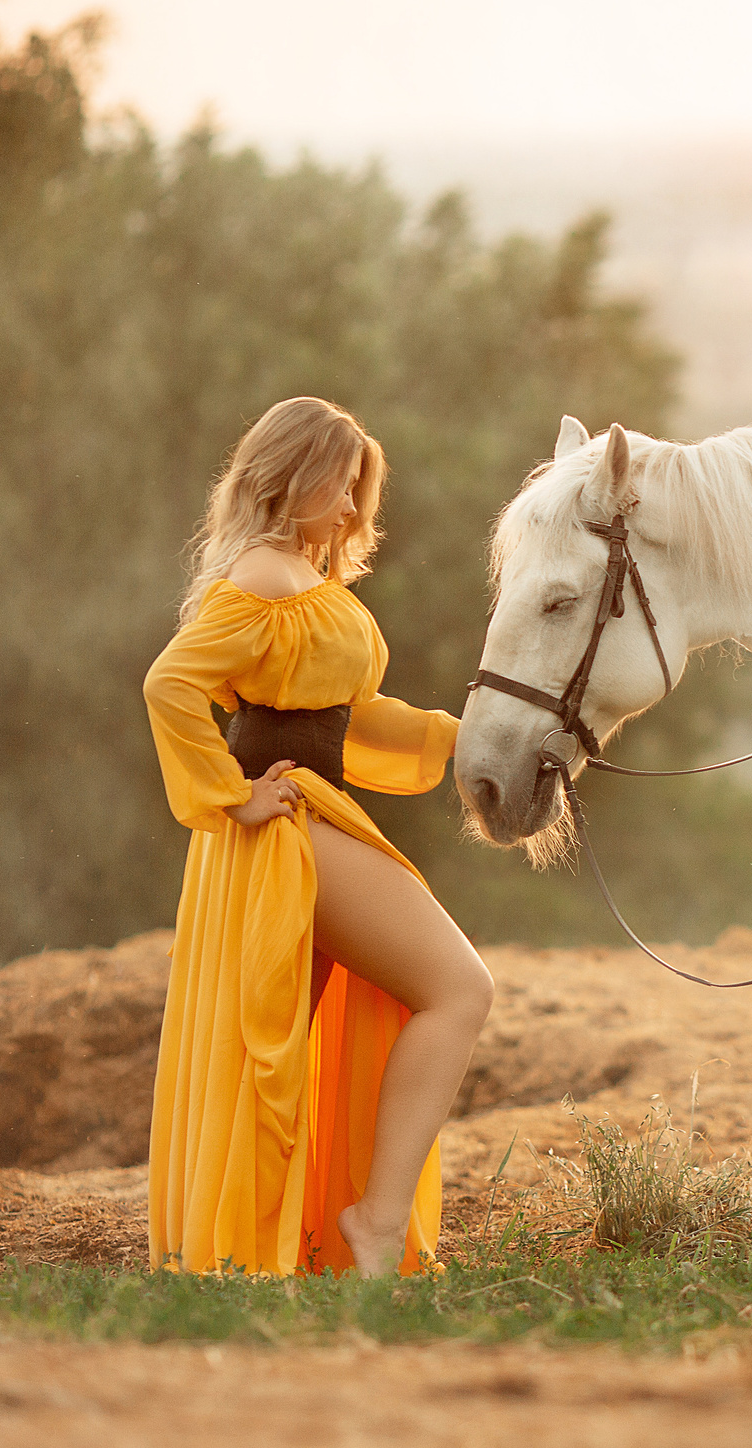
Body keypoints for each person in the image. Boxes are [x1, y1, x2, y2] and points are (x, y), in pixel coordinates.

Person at [142, 397, 491, 1277]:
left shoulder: (298, 574)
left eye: (360, 493)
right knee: (458, 988)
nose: (352, 511)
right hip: (290, 824)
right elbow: (169, 684)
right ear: (293, 475)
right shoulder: (261, 574)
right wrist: (232, 798)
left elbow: (347, 714)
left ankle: (268, 1238)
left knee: (281, 1046)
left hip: (312, 813)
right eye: (343, 488)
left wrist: (458, 739)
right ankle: (370, 1221)